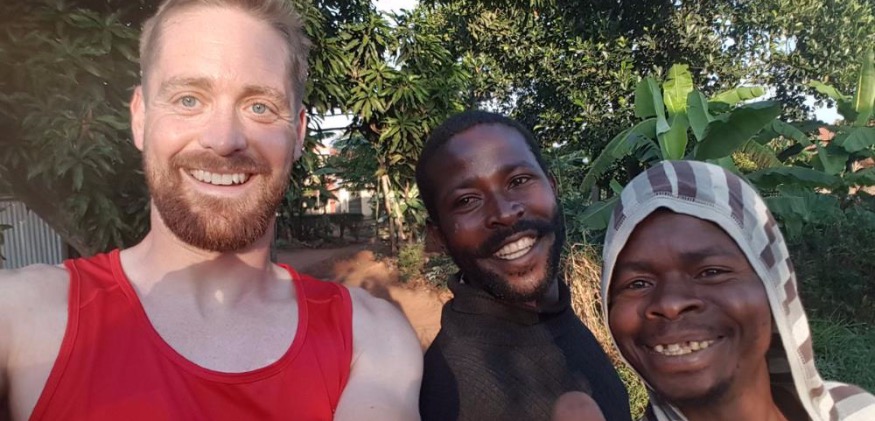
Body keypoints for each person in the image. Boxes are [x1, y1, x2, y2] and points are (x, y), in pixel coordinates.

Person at [0, 1, 422, 420]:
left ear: (297, 134)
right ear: (140, 118)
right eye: (188, 99)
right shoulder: (22, 316)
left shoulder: (370, 337)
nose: (223, 140)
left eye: (259, 107)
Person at [601, 160, 875, 421]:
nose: (671, 304)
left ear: (773, 285)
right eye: (638, 283)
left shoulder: (859, 412)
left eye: (711, 272)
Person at [415, 110, 631, 421]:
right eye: (467, 200)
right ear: (439, 237)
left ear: (553, 187)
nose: (504, 213)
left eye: (518, 181)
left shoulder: (556, 318)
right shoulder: (453, 394)